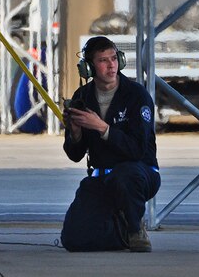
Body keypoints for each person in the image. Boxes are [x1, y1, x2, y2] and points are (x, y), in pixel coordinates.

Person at [60, 36, 160, 253]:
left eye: (114, 58)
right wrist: (75, 133)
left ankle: (135, 229)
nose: (111, 65)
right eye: (103, 60)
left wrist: (102, 128)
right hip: (102, 176)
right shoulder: (83, 97)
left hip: (139, 173)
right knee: (73, 239)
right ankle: (120, 232)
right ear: (88, 67)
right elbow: (75, 155)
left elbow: (137, 149)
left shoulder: (136, 95)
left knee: (127, 174)